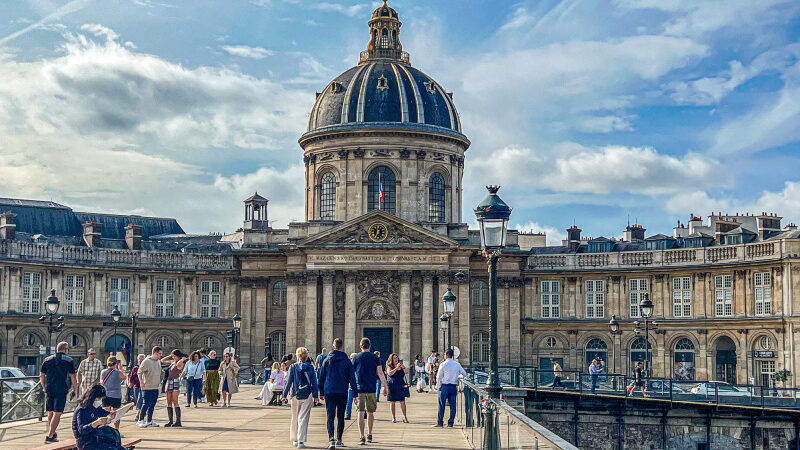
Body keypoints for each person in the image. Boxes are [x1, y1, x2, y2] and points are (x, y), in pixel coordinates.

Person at [318, 338, 357, 449]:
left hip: (329, 391)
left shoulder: (326, 360)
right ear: (342, 347)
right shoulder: (346, 361)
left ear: (333, 347)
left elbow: (321, 377)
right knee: (340, 416)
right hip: (342, 391)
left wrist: (321, 391)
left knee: (330, 416)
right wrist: (355, 393)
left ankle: (331, 439)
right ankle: (339, 439)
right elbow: (352, 378)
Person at [40, 341, 77, 444]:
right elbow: (73, 376)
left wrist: (44, 387)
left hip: (49, 389)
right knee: (58, 413)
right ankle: (50, 436)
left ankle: (53, 433)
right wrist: (75, 389)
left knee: (51, 412)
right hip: (61, 389)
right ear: (65, 349)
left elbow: (42, 376)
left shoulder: (47, 360)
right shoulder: (69, 360)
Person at [283, 347, 320, 449]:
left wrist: (284, 395)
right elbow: (314, 383)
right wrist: (316, 396)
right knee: (303, 418)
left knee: (294, 417)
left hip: (295, 394)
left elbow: (288, 382)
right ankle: (301, 441)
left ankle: (294, 439)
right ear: (306, 356)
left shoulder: (293, 367)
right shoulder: (310, 367)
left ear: (297, 356)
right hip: (307, 394)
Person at [353, 337, 388, 445]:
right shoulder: (375, 357)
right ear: (370, 346)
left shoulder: (356, 357)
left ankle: (361, 436)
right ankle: (370, 434)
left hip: (360, 389)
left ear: (360, 346)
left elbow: (351, 374)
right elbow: (380, 373)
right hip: (371, 388)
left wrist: (351, 387)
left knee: (360, 412)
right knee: (370, 412)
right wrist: (385, 387)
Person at [71, 384, 126, 450]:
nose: (100, 401)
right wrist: (96, 423)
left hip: (95, 436)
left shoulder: (94, 407)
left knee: (114, 434)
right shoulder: (82, 410)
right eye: (99, 399)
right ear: (92, 397)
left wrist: (121, 411)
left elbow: (105, 413)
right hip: (85, 441)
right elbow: (81, 430)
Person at [435, 348, 465, 428]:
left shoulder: (443, 364)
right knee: (453, 405)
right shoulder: (457, 364)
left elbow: (439, 376)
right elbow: (464, 373)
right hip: (453, 386)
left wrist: (438, 386)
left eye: (444, 354)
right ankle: (450, 422)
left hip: (444, 386)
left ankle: (440, 422)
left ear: (447, 355)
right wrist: (459, 377)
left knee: (441, 404)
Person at [137, 346, 163, 427]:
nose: (161, 355)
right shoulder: (147, 361)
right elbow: (139, 372)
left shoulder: (158, 361)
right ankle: (140, 420)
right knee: (146, 403)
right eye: (159, 353)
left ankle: (149, 420)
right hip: (147, 387)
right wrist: (141, 383)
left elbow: (160, 371)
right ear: (155, 353)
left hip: (155, 387)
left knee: (152, 404)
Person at [161, 349, 188, 426]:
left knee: (175, 401)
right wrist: (170, 355)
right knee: (169, 401)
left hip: (175, 381)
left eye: (174, 356)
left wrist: (182, 359)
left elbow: (178, 365)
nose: (173, 357)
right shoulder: (172, 362)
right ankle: (170, 421)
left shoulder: (180, 363)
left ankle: (178, 421)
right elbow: (162, 360)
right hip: (169, 381)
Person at [100, 356, 126, 431]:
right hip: (116, 395)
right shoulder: (118, 372)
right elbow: (124, 377)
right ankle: (116, 430)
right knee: (116, 414)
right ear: (116, 363)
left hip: (106, 395)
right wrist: (120, 368)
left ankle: (103, 429)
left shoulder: (103, 372)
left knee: (105, 413)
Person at [385, 353, 409, 423]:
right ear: (391, 359)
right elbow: (389, 373)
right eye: (394, 358)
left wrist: (402, 367)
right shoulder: (389, 366)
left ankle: (404, 417)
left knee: (402, 401)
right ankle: (393, 417)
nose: (396, 359)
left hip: (400, 385)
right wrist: (396, 368)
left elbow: (406, 372)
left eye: (397, 358)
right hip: (392, 386)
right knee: (392, 402)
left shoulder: (401, 365)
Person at [128, 354, 145, 418]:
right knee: (137, 399)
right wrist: (130, 382)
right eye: (139, 359)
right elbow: (131, 376)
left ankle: (138, 414)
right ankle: (141, 411)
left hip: (143, 386)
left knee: (140, 399)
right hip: (136, 386)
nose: (140, 360)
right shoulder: (135, 368)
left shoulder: (145, 367)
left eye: (142, 359)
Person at [344, 352, 357, 420]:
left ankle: (348, 415)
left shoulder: (348, 366)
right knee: (350, 401)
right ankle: (348, 414)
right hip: (353, 386)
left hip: (354, 386)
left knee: (350, 401)